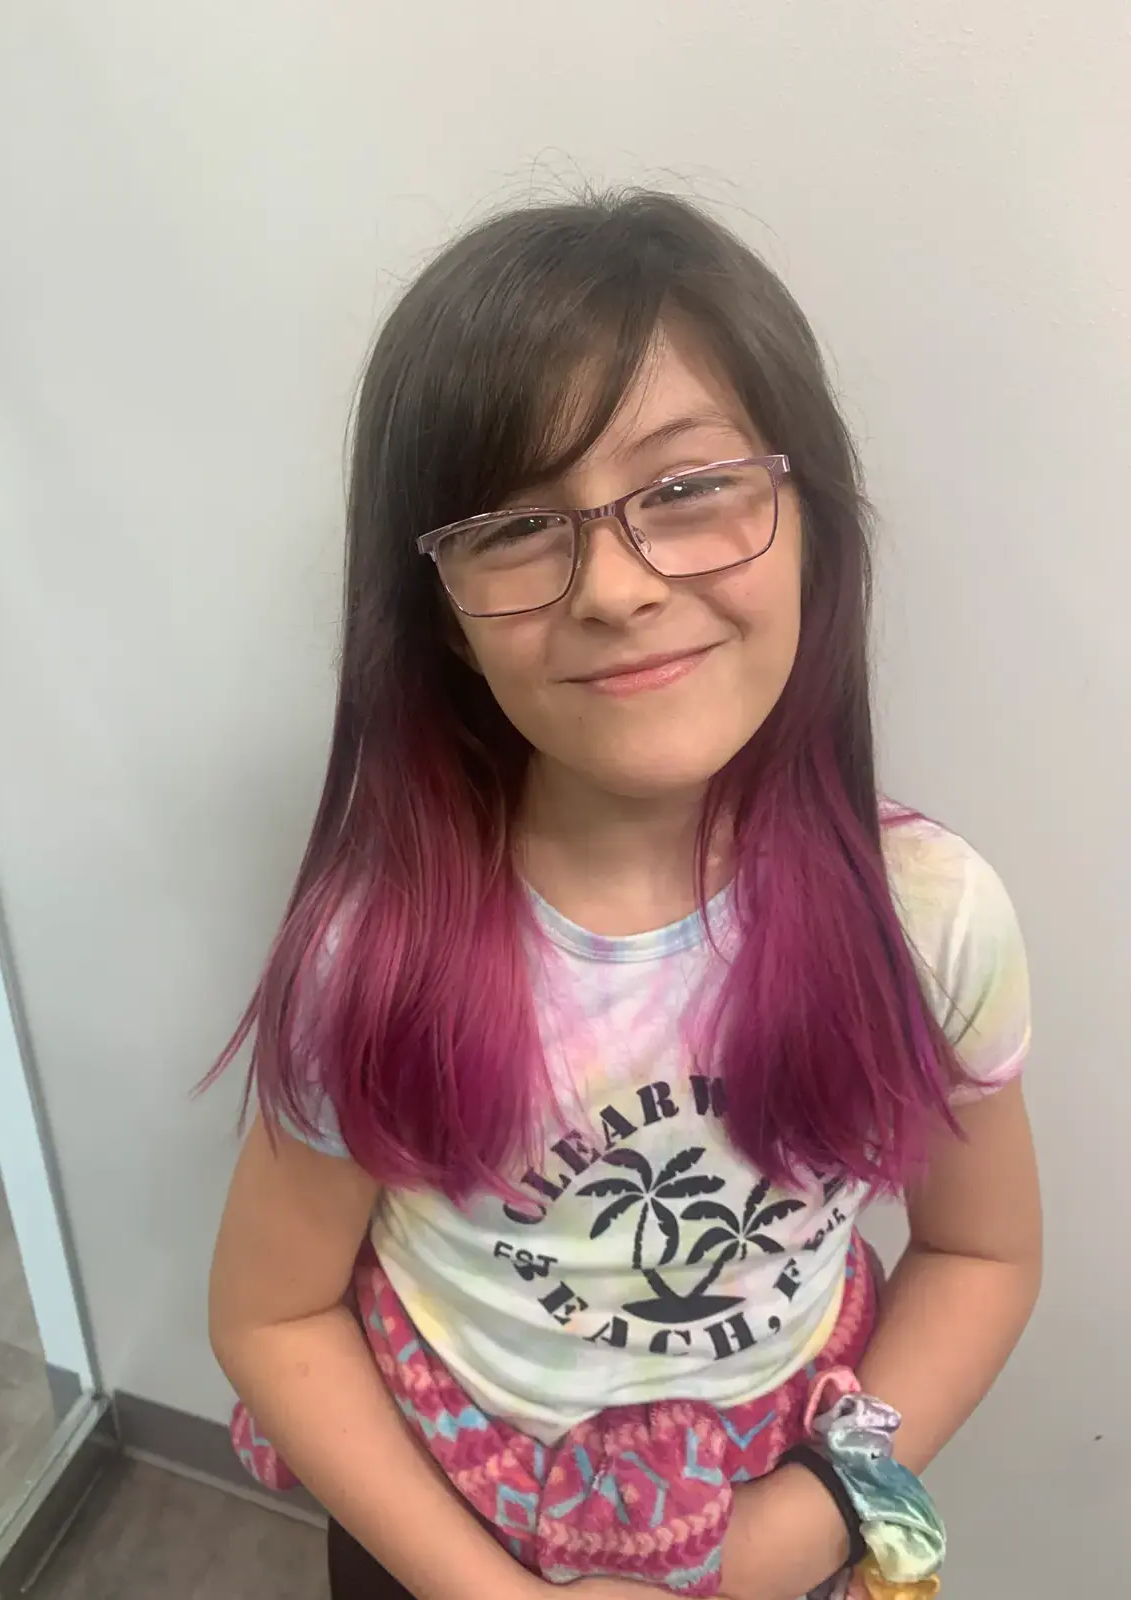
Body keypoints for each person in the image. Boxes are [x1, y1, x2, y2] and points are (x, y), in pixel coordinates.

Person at [207, 190, 1041, 1600]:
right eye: (516, 524)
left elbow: (980, 1253)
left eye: (689, 487)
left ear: (811, 521)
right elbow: (271, 1315)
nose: (613, 586)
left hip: (788, 1515)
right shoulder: (380, 952)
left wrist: (797, 1534)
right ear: (443, 617)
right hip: (447, 1540)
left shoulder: (931, 918)